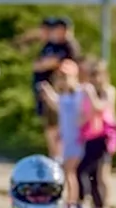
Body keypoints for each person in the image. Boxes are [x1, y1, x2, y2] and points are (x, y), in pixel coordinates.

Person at [37, 59, 84, 205]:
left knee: (69, 171)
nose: (62, 80)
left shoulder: (79, 94)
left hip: (77, 141)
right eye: (61, 77)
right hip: (68, 140)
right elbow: (59, 106)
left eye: (65, 77)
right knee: (67, 171)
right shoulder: (67, 95)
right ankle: (70, 201)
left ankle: (72, 202)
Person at [78, 59, 116, 208]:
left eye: (97, 75)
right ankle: (95, 207)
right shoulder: (88, 92)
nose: (94, 79)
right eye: (91, 75)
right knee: (90, 173)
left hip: (104, 136)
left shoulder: (108, 91)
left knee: (101, 174)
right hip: (90, 136)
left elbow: (100, 107)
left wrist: (90, 94)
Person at [32, 17, 79, 161]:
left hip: (59, 95)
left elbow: (51, 63)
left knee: (58, 130)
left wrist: (46, 64)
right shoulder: (50, 45)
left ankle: (59, 160)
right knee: (50, 130)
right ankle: (55, 158)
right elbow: (37, 64)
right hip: (47, 95)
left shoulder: (68, 46)